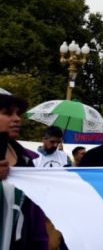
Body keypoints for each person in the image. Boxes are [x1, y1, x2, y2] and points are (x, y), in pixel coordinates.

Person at [0, 94, 50, 249]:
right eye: (8, 113)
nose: (17, 119)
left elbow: (33, 210)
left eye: (18, 113)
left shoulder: (26, 158)